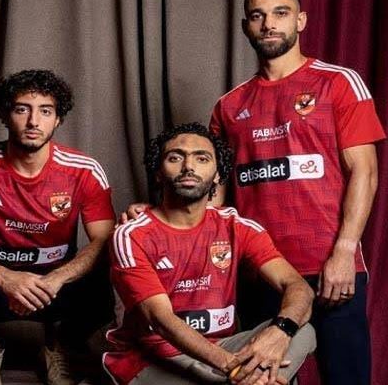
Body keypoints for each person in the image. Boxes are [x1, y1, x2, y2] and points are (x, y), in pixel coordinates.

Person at [208, 0, 387, 385]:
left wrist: (344, 251)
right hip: (263, 271)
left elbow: (366, 172)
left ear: (301, 21)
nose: (269, 24)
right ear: (246, 26)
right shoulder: (228, 106)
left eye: (280, 13)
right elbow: (214, 194)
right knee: (262, 380)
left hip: (330, 268)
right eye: (257, 16)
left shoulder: (338, 82)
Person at [0, 69, 116, 385]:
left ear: (58, 119)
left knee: (114, 266)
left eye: (45, 111)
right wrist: (3, 276)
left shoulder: (84, 169)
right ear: (6, 115)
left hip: (54, 284)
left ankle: (59, 345)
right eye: (22, 109)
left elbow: (102, 240)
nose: (34, 121)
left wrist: (57, 279)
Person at [105, 122, 315, 385]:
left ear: (217, 175)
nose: (188, 166)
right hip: (155, 358)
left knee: (302, 330)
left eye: (202, 158)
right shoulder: (132, 234)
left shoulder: (236, 226)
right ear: (158, 173)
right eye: (175, 158)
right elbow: (161, 320)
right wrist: (236, 370)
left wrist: (280, 333)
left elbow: (298, 287)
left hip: (221, 346)